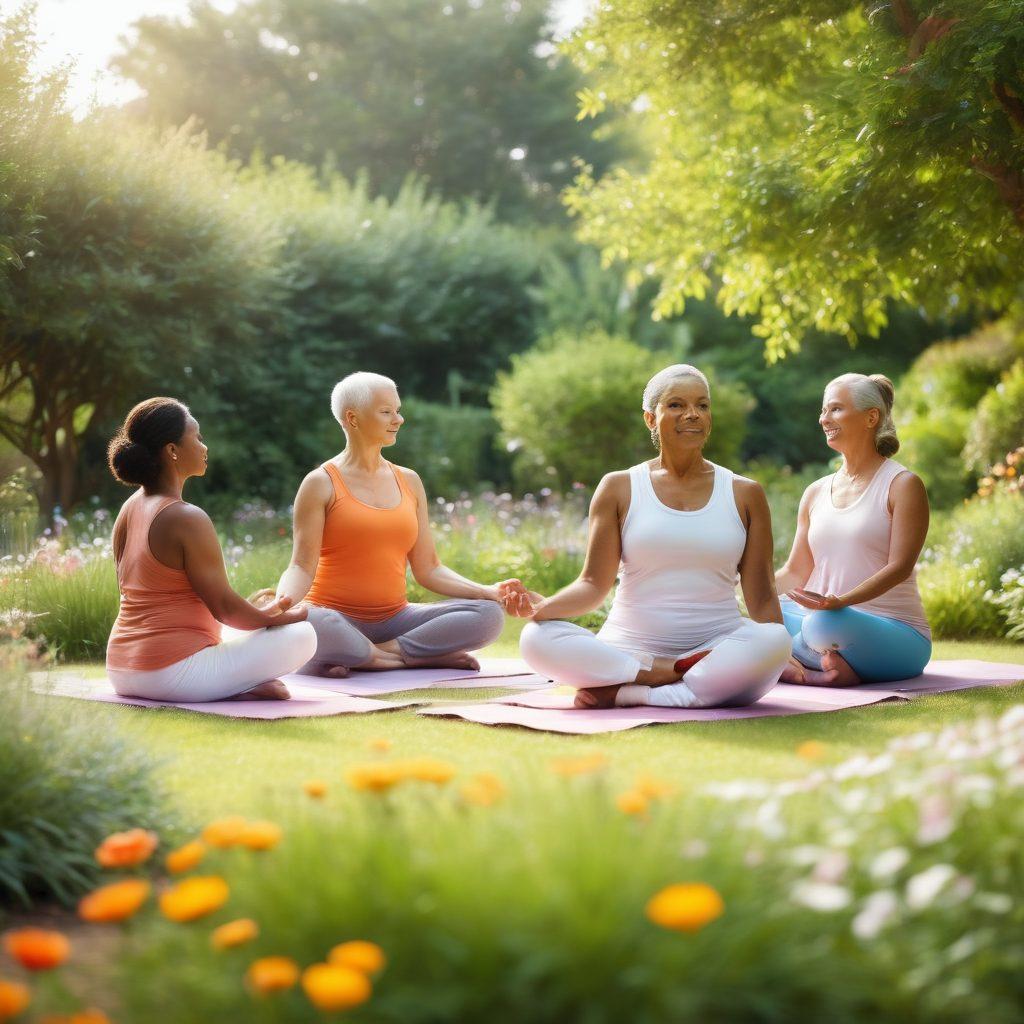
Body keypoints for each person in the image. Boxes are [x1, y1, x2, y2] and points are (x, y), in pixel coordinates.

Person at [519, 364, 792, 709]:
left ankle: (628, 692)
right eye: (676, 405)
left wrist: (777, 654)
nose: (692, 414)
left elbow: (763, 595)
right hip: (629, 649)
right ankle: (656, 676)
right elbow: (592, 584)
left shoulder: (745, 492)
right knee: (536, 639)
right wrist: (542, 608)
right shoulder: (618, 487)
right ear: (651, 418)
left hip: (715, 648)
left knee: (775, 639)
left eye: (702, 405)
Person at [273, 372, 530, 677]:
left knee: (487, 615)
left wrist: (487, 591)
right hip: (334, 617)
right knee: (314, 623)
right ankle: (413, 656)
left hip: (396, 620)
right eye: (386, 412)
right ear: (352, 419)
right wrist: (283, 605)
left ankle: (366, 656)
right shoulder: (320, 483)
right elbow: (301, 567)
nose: (399, 419)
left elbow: (429, 569)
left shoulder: (409, 480)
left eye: (397, 410)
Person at [105, 398, 315, 702]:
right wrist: (279, 617)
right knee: (303, 635)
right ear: (172, 450)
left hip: (121, 669)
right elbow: (225, 609)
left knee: (243, 633)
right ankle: (238, 685)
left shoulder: (130, 508)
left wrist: (263, 614)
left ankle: (238, 684)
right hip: (169, 675)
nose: (205, 447)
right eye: (198, 438)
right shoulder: (186, 517)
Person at [775, 373, 932, 685]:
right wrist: (740, 594)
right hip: (824, 620)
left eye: (835, 409)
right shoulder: (815, 492)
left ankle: (790, 664)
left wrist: (840, 602)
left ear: (871, 417)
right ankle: (829, 668)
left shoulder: (903, 485)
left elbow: (900, 568)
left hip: (893, 631)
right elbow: (795, 571)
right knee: (760, 614)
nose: (824, 419)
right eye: (823, 411)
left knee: (822, 626)